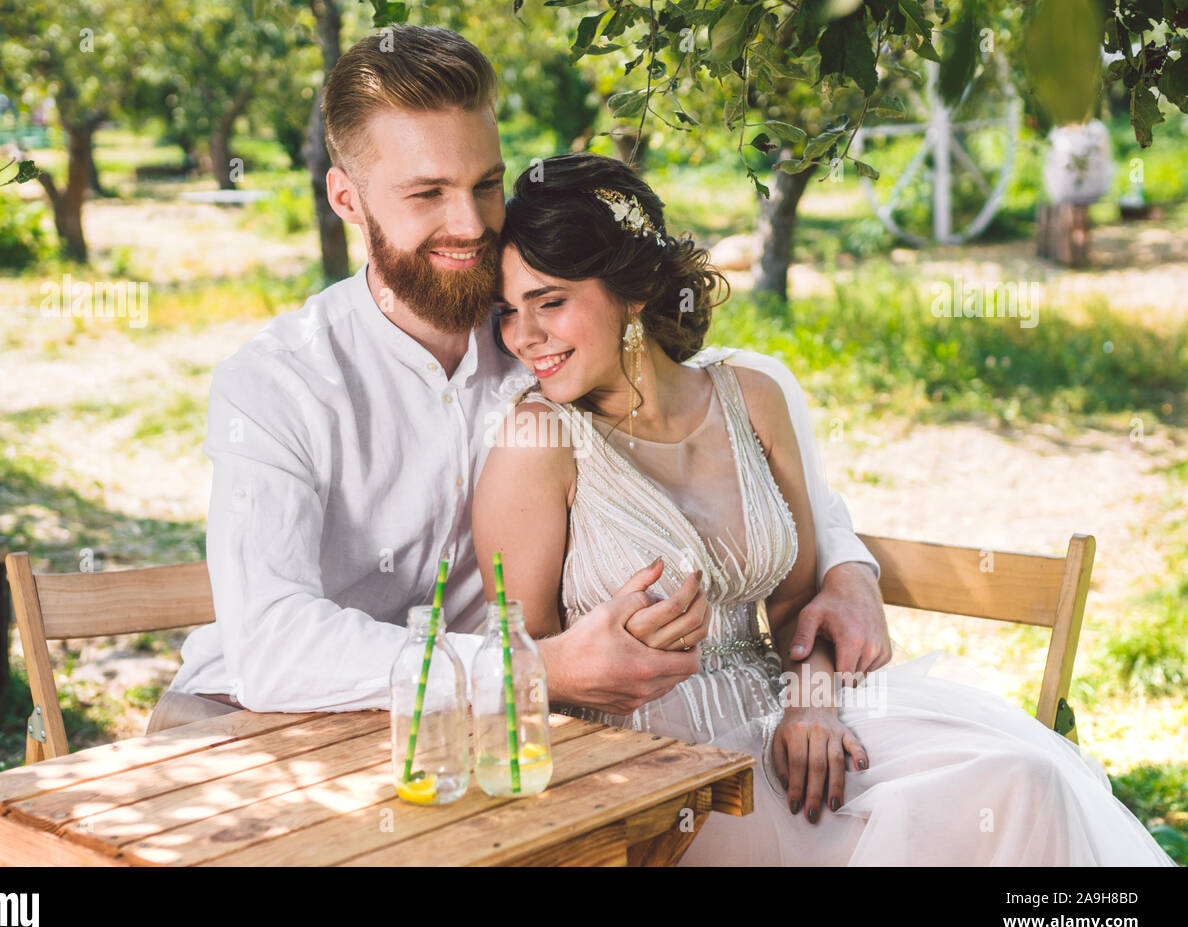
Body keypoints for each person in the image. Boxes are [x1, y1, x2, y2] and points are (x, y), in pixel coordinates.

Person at [150, 24, 888, 734]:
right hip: (266, 716)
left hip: (482, 731)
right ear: (348, 200)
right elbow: (272, 646)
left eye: (487, 183)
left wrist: (848, 568)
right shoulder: (278, 384)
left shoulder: (549, 339)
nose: (470, 224)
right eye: (427, 194)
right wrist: (530, 668)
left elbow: (715, 439)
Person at [474, 150, 1175, 866]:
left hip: (786, 717)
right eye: (506, 311)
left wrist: (813, 700)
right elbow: (518, 663)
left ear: (629, 288)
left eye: (549, 301)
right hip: (655, 771)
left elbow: (796, 606)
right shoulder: (537, 440)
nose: (522, 336)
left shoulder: (750, 396)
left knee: (1025, 780)